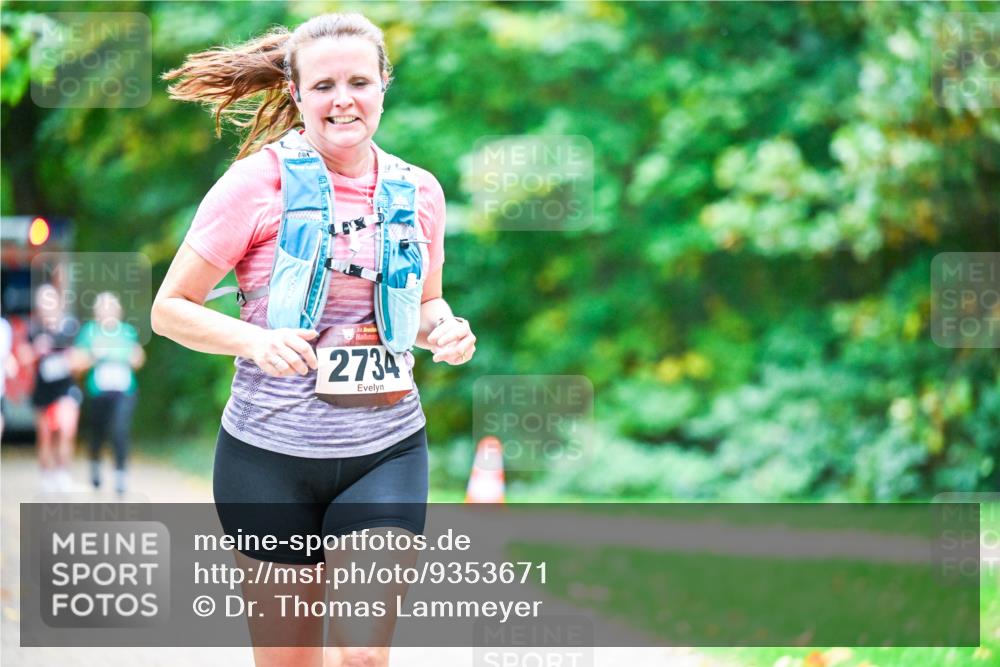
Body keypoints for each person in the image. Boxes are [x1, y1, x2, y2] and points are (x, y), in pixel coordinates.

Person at [154, 12, 476, 667]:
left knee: (361, 654)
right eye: (324, 85)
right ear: (297, 93)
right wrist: (253, 341)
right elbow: (170, 309)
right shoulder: (254, 185)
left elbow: (424, 302)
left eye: (360, 81)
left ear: (385, 84)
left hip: (385, 452)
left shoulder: (419, 192)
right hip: (266, 458)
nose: (343, 99)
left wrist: (443, 326)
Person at [75, 292, 145, 494]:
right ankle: (95, 467)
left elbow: (138, 358)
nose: (107, 312)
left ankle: (120, 475)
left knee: (120, 431)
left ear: (119, 311)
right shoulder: (89, 332)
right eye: (103, 308)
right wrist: (94, 356)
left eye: (111, 307)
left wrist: (130, 357)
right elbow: (77, 363)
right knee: (97, 433)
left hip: (124, 391)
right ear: (96, 312)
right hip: (98, 391)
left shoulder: (127, 332)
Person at [24, 284, 83, 493]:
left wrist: (71, 360)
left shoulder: (71, 327)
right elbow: (23, 357)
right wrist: (36, 350)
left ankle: (63, 474)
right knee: (46, 435)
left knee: (66, 430)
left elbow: (82, 357)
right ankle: (46, 476)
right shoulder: (33, 329)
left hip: (66, 389)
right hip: (43, 390)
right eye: (42, 302)